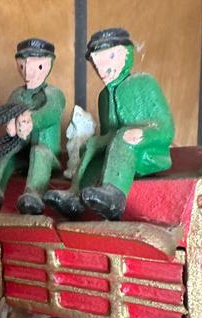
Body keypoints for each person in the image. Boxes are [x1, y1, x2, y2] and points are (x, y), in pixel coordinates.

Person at [44, 28, 174, 220]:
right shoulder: (104, 96)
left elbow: (166, 127)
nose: (102, 69)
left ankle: (114, 195)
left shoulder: (144, 83)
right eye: (96, 63)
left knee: (122, 136)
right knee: (94, 145)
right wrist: (95, 144)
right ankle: (75, 195)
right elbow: (108, 134)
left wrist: (144, 134)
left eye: (110, 57)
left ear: (126, 53)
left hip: (146, 152)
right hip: (117, 152)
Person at [0, 38, 65, 215]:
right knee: (8, 150)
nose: (28, 73)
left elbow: (51, 112)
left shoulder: (53, 94)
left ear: (48, 64)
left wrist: (32, 120)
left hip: (47, 157)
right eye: (23, 66)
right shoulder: (18, 94)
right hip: (23, 156)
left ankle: (33, 194)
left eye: (37, 66)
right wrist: (11, 123)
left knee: (39, 151)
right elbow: (10, 110)